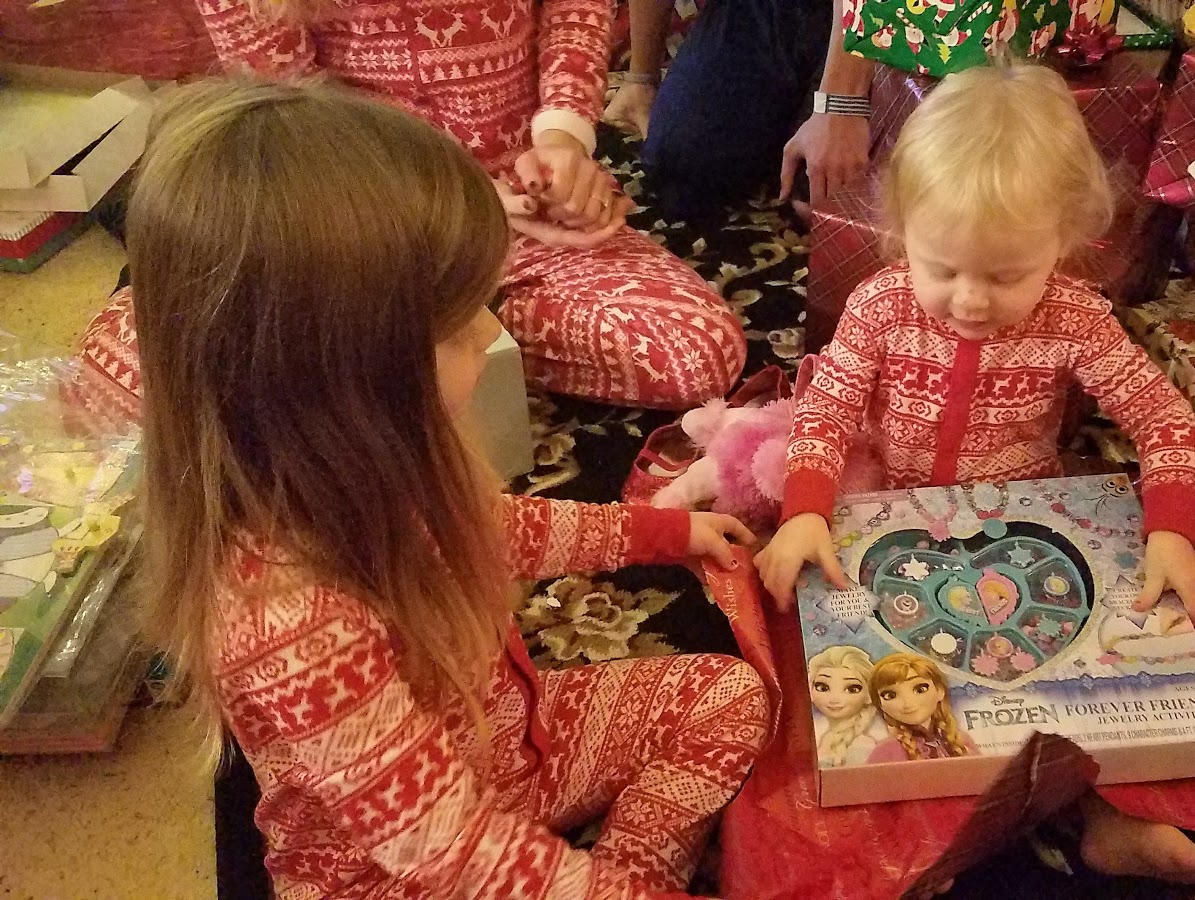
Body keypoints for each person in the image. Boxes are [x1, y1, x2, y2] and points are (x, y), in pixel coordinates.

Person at [134, 79, 770, 898]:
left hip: (509, 752)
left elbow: (495, 529)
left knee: (726, 695)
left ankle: (624, 869)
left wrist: (665, 533)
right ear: (345, 372)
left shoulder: (372, 464)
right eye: (459, 323)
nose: (489, 332)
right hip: (395, 877)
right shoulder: (286, 618)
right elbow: (447, 852)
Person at [754, 61, 1195, 885]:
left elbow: (1164, 419)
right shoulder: (879, 304)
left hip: (1025, 532)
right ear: (902, 231)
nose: (970, 299)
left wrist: (1171, 533)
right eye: (942, 267)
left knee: (1085, 698)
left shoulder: (1078, 319)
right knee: (850, 687)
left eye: (1006, 275)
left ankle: (1108, 822)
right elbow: (824, 415)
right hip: (890, 519)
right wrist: (803, 511)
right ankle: (908, 831)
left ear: (1065, 243)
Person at [75, 0, 746, 412]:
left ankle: (408, 337)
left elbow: (575, 14)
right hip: (356, 213)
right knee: (129, 373)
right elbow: (296, 124)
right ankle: (429, 335)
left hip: (523, 207)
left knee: (699, 353)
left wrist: (563, 145)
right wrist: (459, 201)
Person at [634, 0, 874, 220]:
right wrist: (641, 78)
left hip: (884, 14)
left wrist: (841, 105)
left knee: (821, 202)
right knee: (678, 165)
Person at [867, 653, 975, 762]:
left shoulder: (961, 741)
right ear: (879, 704)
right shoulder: (886, 751)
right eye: (890, 695)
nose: (907, 703)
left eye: (920, 689)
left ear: (940, 691)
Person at [808, 644, 889, 767]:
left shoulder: (861, 746)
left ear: (869, 695)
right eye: (823, 687)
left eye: (852, 689)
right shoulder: (820, 736)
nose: (834, 699)